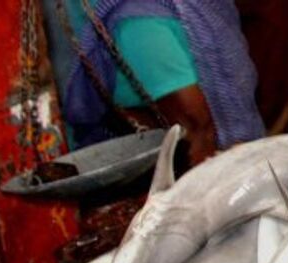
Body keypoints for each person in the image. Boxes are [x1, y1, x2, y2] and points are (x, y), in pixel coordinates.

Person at [60, 0, 265, 166]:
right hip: (190, 179)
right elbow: (195, 125)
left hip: (230, 159)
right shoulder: (140, 23)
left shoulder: (197, 7)